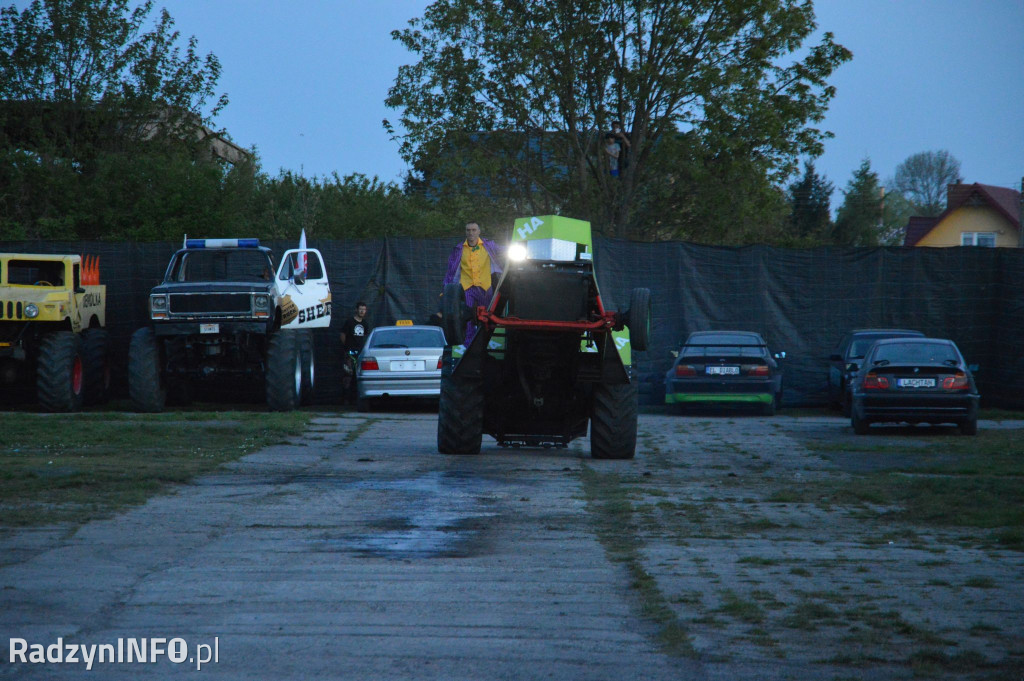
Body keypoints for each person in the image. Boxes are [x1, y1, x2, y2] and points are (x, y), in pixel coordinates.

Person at [442, 222, 504, 345]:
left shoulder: (488, 245)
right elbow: (450, 270)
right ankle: (468, 344)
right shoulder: (459, 249)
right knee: (467, 317)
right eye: (468, 230)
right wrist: (446, 290)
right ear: (465, 232)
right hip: (467, 289)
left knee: (487, 316)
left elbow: (504, 250)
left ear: (479, 231)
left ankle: (486, 342)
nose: (471, 233)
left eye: (474, 230)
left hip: (485, 287)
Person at [339, 302, 371, 404]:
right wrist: (347, 348)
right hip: (350, 353)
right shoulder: (349, 322)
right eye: (360, 309)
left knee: (360, 376)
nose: (362, 311)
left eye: (364, 309)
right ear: (356, 310)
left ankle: (358, 399)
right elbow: (342, 335)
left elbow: (365, 336)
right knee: (347, 376)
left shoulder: (365, 324)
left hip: (361, 354)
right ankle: (346, 400)